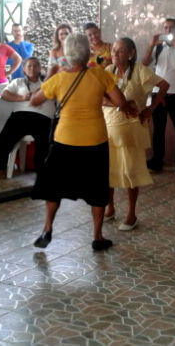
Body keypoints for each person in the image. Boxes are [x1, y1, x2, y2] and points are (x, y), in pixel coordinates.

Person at [29, 33, 136, 251]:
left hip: (64, 141)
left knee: (54, 189)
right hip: (95, 141)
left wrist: (54, 81)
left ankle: (47, 228)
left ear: (67, 55)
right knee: (97, 190)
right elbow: (120, 102)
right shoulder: (100, 76)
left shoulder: (59, 79)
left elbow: (35, 100)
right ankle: (97, 236)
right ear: (88, 53)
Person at [103, 37, 169, 230]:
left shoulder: (140, 70)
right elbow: (100, 98)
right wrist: (116, 104)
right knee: (108, 170)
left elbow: (164, 85)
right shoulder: (108, 72)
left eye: (120, 50)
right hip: (108, 128)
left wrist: (150, 108)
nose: (115, 53)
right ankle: (110, 207)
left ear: (131, 53)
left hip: (132, 129)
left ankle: (131, 214)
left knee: (131, 170)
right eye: (113, 50)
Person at [142, 18, 175, 175]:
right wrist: (151, 45)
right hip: (159, 94)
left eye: (171, 28)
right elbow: (144, 64)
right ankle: (157, 162)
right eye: (165, 28)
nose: (168, 31)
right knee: (158, 130)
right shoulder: (158, 48)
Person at [0, 57, 54, 178]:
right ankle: (1, 167)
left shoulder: (48, 82)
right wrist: (22, 98)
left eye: (35, 66)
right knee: (5, 137)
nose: (32, 68)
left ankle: (40, 171)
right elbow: (4, 94)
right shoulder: (18, 82)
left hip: (43, 117)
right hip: (21, 115)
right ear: (24, 68)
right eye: (29, 66)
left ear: (40, 68)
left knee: (44, 142)